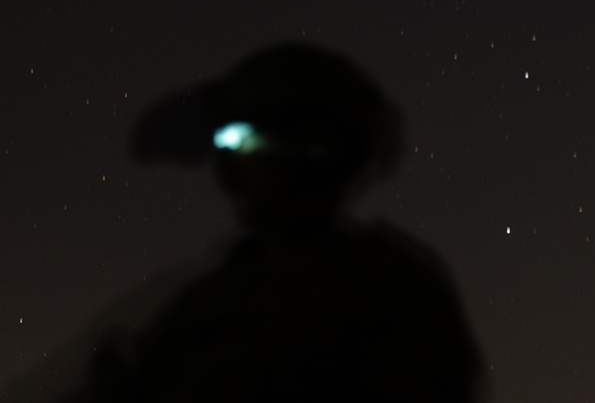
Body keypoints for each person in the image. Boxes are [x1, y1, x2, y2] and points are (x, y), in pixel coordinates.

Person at [64, 43, 485, 402]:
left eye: (246, 139)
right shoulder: (215, 294)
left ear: (316, 149)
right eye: (229, 141)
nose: (230, 162)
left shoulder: (385, 289)